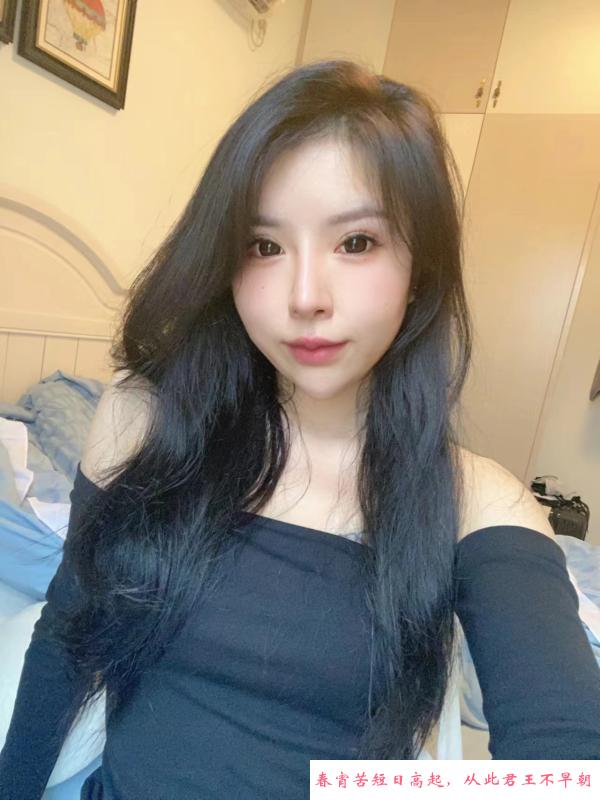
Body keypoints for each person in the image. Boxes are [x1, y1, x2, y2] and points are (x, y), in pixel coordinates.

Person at [1, 58, 600, 800]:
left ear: (420, 266)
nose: (305, 296)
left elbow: (567, 760)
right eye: (264, 246)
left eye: (356, 243)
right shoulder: (144, 421)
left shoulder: (477, 502)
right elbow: (66, 637)